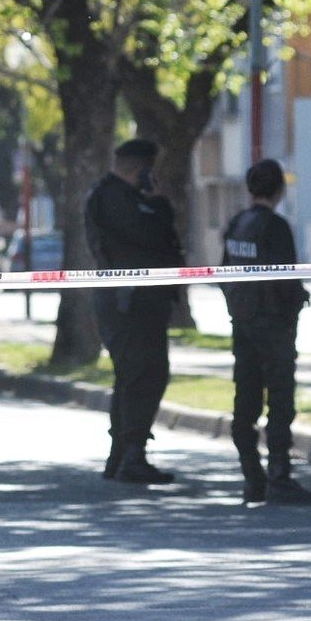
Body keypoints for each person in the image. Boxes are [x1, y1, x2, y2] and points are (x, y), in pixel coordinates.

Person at [83, 137, 185, 484]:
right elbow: (152, 236)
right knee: (143, 376)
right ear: (142, 169)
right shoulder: (117, 199)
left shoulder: (116, 196)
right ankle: (131, 455)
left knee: (136, 377)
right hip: (130, 302)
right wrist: (159, 204)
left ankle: (124, 455)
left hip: (136, 300)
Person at [220, 160, 311, 505]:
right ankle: (279, 475)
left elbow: (222, 273)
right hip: (273, 325)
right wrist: (294, 307)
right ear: (280, 189)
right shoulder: (275, 227)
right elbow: (285, 277)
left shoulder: (236, 224)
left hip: (243, 323)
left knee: (245, 400)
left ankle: (252, 476)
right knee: (279, 401)